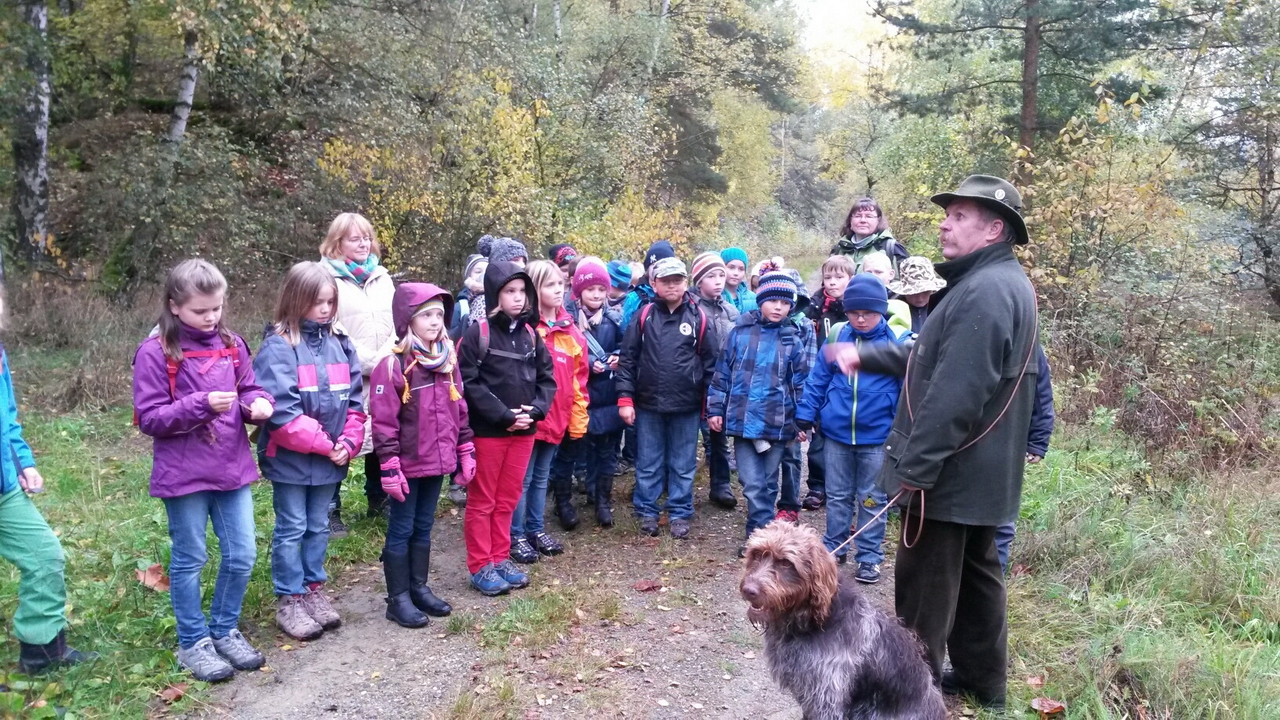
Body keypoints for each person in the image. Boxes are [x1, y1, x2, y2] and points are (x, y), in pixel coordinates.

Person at [846, 175, 1038, 711]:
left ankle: (909, 695)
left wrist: (915, 469)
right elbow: (930, 357)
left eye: (958, 216)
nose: (944, 223)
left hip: (950, 475)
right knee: (978, 580)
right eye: (946, 213)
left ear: (993, 228)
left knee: (922, 588)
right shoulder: (992, 284)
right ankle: (981, 681)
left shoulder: (985, 291)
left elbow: (957, 394)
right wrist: (865, 355)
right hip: (977, 474)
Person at [133, 259, 272, 682]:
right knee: (190, 557)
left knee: (243, 552)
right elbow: (149, 418)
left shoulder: (232, 342)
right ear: (175, 306)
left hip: (231, 465)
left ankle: (225, 629)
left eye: (217, 308)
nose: (211, 318)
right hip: (183, 473)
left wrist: (258, 404)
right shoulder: (155, 352)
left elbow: (248, 387)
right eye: (200, 311)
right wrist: (200, 405)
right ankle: (193, 641)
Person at [254, 262, 365, 642]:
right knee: (291, 528)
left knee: (318, 525)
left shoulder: (341, 343)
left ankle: (314, 589)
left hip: (330, 458)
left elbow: (355, 403)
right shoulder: (278, 347)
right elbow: (282, 412)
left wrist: (348, 443)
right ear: (294, 300)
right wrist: (326, 444)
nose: (324, 309)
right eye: (316, 302)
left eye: (329, 302)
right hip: (291, 460)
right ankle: (290, 597)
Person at [370, 283, 475, 628]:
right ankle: (397, 598)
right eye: (425, 315)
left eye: (439, 315)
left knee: (424, 525)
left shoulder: (448, 360)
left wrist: (465, 447)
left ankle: (419, 587)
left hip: (438, 460)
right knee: (402, 528)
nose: (434, 322)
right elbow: (384, 421)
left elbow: (459, 408)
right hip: (408, 463)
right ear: (407, 320)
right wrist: (388, 465)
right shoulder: (394, 365)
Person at [0, 296, 95, 675]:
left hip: (4, 488)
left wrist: (23, 462)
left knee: (44, 555)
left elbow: (6, 418)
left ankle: (42, 652)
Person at [797, 274, 908, 582]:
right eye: (854, 312)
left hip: (877, 437)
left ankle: (869, 556)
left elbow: (905, 392)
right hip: (836, 435)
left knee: (871, 498)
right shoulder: (836, 339)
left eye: (868, 313)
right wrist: (805, 415)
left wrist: (900, 431)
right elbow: (818, 380)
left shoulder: (894, 344)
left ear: (881, 312)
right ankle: (834, 547)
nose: (860, 319)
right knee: (838, 493)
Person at [457, 261, 556, 596]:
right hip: (490, 432)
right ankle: (480, 564)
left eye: (522, 292)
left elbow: (547, 379)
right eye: (509, 291)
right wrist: (503, 415)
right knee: (483, 500)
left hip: (524, 433)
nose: (517, 299)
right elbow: (469, 383)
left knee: (508, 498)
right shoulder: (478, 334)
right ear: (494, 294)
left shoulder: (531, 335)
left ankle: (500, 558)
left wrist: (537, 411)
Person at [707, 270, 813, 557]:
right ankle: (761, 535)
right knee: (752, 484)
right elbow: (722, 375)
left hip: (778, 425)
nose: (778, 307)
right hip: (743, 423)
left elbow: (800, 385)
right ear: (760, 301)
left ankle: (758, 538)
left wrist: (803, 421)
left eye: (785, 303)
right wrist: (715, 409)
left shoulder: (792, 339)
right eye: (772, 301)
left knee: (766, 484)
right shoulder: (739, 333)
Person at [616, 257, 719, 540]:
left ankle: (680, 512)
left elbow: (711, 366)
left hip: (686, 406)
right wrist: (625, 399)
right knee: (648, 461)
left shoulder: (699, 318)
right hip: (648, 405)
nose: (672, 285)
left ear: (686, 283)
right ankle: (647, 511)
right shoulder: (643, 316)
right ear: (654, 283)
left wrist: (711, 405)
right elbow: (627, 361)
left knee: (683, 463)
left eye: (677, 280)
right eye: (666, 281)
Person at [510, 260, 589, 561]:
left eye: (561, 284)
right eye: (550, 285)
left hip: (557, 417)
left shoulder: (571, 330)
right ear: (535, 289)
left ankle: (535, 528)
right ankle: (515, 535)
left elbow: (579, 379)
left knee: (542, 478)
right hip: (529, 417)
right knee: (524, 479)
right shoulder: (526, 328)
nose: (559, 290)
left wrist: (577, 417)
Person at [320, 213, 393, 534]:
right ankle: (329, 509)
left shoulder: (382, 276)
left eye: (366, 237)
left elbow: (398, 321)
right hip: (343, 374)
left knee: (382, 435)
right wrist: (366, 360)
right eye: (354, 238)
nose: (363, 243)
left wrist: (387, 356)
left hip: (384, 374)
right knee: (339, 438)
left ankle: (379, 500)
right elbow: (328, 324)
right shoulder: (324, 278)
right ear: (338, 242)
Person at [564, 258, 626, 526]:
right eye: (591, 290)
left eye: (602, 289)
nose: (597, 295)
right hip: (577, 398)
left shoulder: (614, 320)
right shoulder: (567, 321)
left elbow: (626, 347)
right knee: (571, 453)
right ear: (579, 291)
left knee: (606, 453)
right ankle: (564, 502)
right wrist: (589, 364)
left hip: (607, 396)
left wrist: (616, 357)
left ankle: (602, 501)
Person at [798, 255, 855, 512]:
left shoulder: (857, 308)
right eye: (828, 277)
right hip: (821, 375)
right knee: (818, 435)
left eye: (839, 277)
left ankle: (842, 487)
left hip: (849, 378)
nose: (832, 282)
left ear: (851, 279)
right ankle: (817, 485)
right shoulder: (815, 307)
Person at [996, 347, 1054, 573]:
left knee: (1000, 524)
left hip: (1009, 445)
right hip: (967, 444)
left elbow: (1042, 393)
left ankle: (992, 585)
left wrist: (1038, 441)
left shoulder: (1029, 345)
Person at [692, 252, 739, 509]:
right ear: (699, 280)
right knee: (689, 439)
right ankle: (678, 488)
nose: (719, 280)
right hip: (694, 382)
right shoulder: (691, 308)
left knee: (718, 437)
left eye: (721, 275)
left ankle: (721, 485)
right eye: (711, 276)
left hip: (720, 383)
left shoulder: (730, 310)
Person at [466, 235, 530, 327]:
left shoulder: (527, 293)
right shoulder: (484, 300)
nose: (522, 265)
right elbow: (480, 333)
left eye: (523, 261)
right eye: (516, 260)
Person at [833, 197, 908, 274]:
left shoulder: (892, 248)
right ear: (850, 220)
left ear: (878, 220)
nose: (863, 220)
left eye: (869, 216)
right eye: (858, 216)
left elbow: (907, 282)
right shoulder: (839, 249)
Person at [620, 240, 674, 331]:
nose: (659, 269)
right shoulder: (634, 298)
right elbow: (624, 333)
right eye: (654, 265)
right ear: (647, 268)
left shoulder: (680, 295)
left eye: (664, 264)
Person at [885, 256, 947, 333]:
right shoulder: (890, 309)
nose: (920, 298)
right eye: (913, 293)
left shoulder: (943, 305)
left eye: (925, 292)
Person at [859, 251, 912, 334]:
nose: (873, 276)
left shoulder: (902, 300)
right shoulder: (856, 299)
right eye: (868, 272)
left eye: (878, 272)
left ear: (891, 274)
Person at [450, 254, 488, 342]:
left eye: (487, 271)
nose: (483, 275)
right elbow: (449, 337)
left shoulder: (499, 302)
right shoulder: (460, 307)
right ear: (468, 276)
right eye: (478, 271)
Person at [720, 247, 758, 313]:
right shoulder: (715, 295)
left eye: (741, 269)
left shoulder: (753, 298)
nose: (736, 273)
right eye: (731, 268)